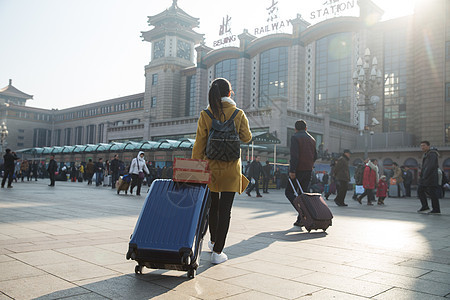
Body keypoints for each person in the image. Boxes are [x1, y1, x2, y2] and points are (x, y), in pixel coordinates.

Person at [192, 77, 252, 264]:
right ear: (229, 93)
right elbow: (247, 137)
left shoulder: (206, 114)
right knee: (226, 210)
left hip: (210, 169)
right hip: (231, 170)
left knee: (213, 208)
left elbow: (199, 143)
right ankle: (218, 252)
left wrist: (195, 167)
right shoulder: (238, 113)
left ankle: (211, 240)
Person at [285, 119, 317, 226]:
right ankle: (301, 219)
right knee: (303, 194)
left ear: (295, 129)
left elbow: (295, 156)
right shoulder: (312, 139)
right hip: (308, 170)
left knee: (289, 192)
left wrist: (292, 170)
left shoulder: (295, 137)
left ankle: (302, 212)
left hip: (298, 170)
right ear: (306, 128)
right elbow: (315, 156)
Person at [417, 141, 440, 214]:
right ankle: (425, 206)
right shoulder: (427, 154)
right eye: (421, 146)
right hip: (425, 178)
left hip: (430, 178)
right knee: (420, 191)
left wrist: (425, 176)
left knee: (433, 194)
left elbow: (430, 166)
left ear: (428, 146)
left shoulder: (432, 154)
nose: (422, 147)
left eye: (424, 145)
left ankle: (436, 209)